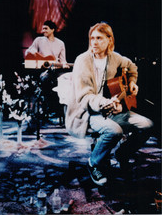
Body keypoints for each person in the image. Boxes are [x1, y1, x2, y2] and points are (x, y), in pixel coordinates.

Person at [65, 22, 153, 186]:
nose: (94, 42)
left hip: (111, 108)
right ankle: (94, 163)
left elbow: (132, 66)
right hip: (88, 112)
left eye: (99, 38)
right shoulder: (82, 60)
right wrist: (106, 103)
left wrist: (132, 82)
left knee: (147, 125)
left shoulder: (115, 58)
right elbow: (86, 97)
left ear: (109, 40)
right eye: (92, 38)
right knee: (114, 131)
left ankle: (122, 154)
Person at [25, 20, 70, 118]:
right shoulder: (38, 40)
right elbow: (29, 51)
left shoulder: (60, 43)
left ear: (52, 30)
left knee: (65, 79)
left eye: (46, 28)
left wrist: (64, 64)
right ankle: (45, 108)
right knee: (45, 78)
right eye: (43, 28)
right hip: (41, 71)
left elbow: (63, 60)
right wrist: (34, 53)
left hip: (55, 70)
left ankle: (59, 110)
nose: (43, 30)